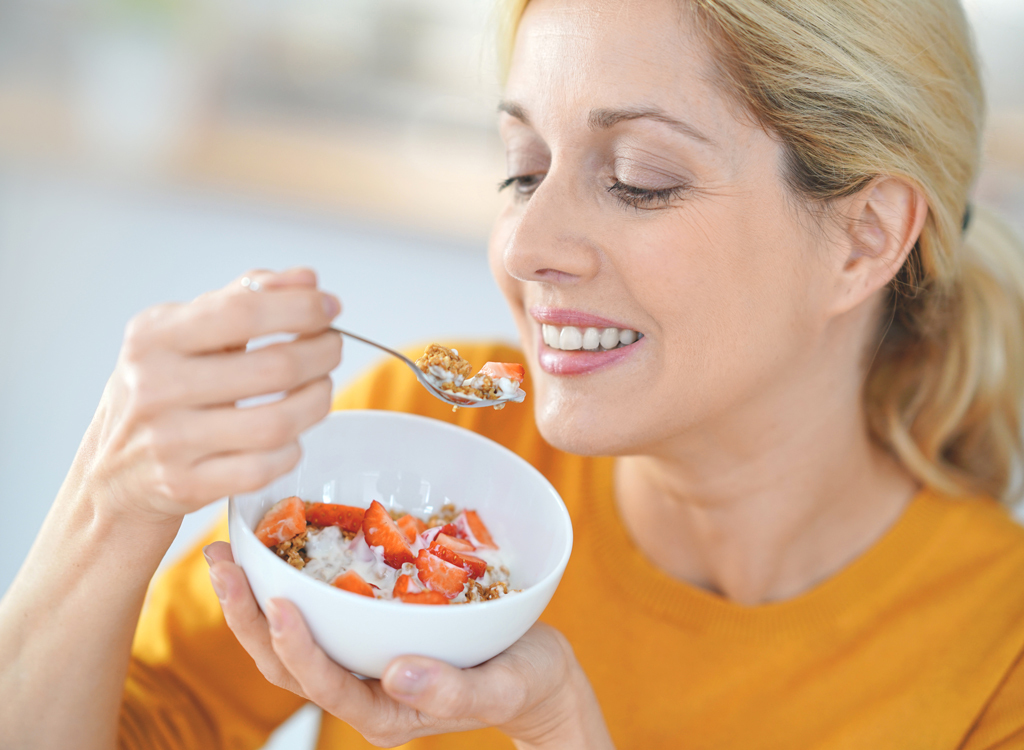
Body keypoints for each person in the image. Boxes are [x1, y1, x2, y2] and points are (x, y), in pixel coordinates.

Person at [3, 0, 1024, 747]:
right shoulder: (431, 465)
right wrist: (108, 507)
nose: (527, 243)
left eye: (639, 182)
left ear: (862, 240)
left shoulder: (995, 650)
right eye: (521, 169)